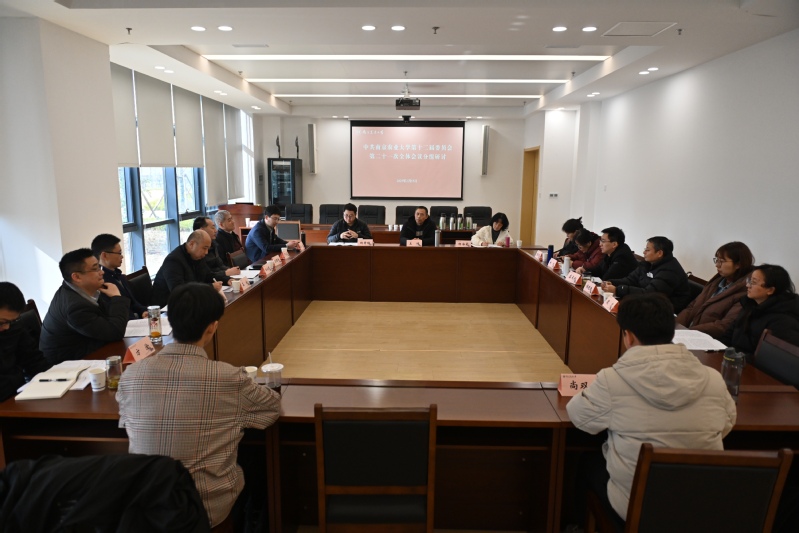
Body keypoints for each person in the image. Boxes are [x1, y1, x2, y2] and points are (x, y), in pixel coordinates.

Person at [117, 282, 281, 529]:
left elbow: (125, 417)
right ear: (212, 327)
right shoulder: (227, 378)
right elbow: (272, 407)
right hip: (205, 508)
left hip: (146, 505)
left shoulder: (131, 375)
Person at [567, 293, 736, 524]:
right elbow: (727, 423)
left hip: (639, 508)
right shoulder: (713, 379)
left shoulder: (611, 380)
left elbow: (579, 417)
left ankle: (576, 526)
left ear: (628, 336)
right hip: (700, 505)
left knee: (587, 462)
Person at [39, 248, 130, 364]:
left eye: (99, 267)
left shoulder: (82, 289)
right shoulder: (75, 307)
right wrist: (117, 297)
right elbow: (115, 332)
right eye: (95, 269)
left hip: (90, 349)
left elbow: (109, 323)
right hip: (68, 365)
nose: (102, 272)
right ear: (76, 277)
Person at [676, 242, 754, 339]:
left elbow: (724, 325)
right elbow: (692, 307)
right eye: (716, 260)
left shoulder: (746, 292)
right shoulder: (716, 282)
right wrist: (675, 326)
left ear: (738, 264)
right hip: (686, 334)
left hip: (706, 340)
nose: (717, 265)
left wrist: (689, 332)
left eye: (722, 261)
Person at [719, 264, 799, 355]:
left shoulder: (784, 322)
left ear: (770, 290)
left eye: (753, 282)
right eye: (749, 280)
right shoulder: (750, 305)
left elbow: (770, 358)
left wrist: (733, 357)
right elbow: (727, 336)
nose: (748, 285)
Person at [602, 236, 693, 313]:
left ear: (659, 253)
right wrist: (611, 282)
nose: (644, 252)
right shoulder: (647, 264)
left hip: (665, 312)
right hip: (646, 304)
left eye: (647, 250)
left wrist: (618, 290)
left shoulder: (670, 271)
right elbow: (630, 280)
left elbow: (650, 294)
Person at [0, 282, 51, 401]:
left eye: (12, 321)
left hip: (18, 394)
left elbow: (34, 360)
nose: (7, 327)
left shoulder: (15, 327)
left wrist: (55, 379)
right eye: (2, 322)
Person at [151, 231, 224, 307]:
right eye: (204, 248)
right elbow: (178, 291)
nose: (206, 252)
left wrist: (227, 280)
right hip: (168, 307)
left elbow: (208, 275)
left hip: (191, 301)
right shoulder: (173, 260)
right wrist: (210, 287)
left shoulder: (197, 256)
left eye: (208, 249)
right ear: (191, 244)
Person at [91, 233, 148, 319]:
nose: (122, 256)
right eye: (119, 253)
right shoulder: (101, 282)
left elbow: (133, 303)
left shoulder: (119, 275)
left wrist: (143, 311)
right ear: (104, 255)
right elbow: (113, 313)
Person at [193, 216, 240, 281]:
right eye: (213, 228)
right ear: (202, 230)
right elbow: (206, 275)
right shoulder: (197, 251)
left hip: (220, 279)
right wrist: (225, 273)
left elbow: (220, 265)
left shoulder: (214, 243)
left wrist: (229, 274)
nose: (216, 230)